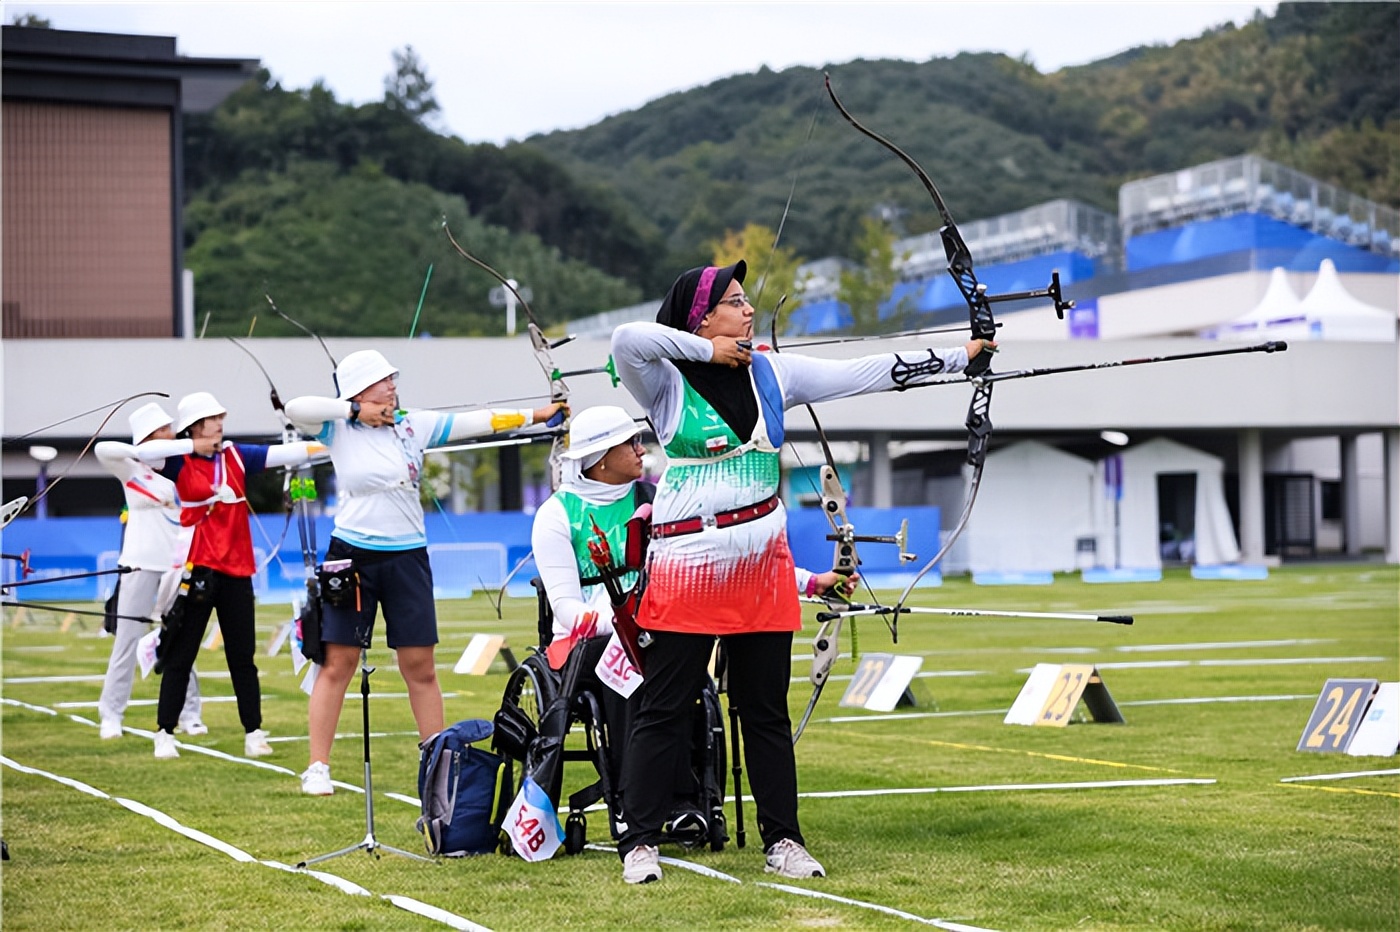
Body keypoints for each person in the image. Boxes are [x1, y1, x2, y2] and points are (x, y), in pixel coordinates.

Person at [610, 260, 993, 884]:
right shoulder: (664, 380)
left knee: (765, 710)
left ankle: (783, 840)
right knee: (665, 706)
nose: (748, 311)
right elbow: (627, 337)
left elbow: (865, 372)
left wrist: (961, 356)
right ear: (701, 318)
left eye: (745, 301)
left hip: (761, 567)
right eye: (734, 302)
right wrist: (708, 351)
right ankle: (640, 842)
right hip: (686, 566)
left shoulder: (772, 371)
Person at [532, 404, 859, 838]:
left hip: (661, 627)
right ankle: (636, 804)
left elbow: (728, 561)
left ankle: (688, 803)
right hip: (589, 644)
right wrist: (632, 620)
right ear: (600, 458)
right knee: (631, 671)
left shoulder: (661, 498)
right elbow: (569, 612)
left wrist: (813, 582)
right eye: (630, 443)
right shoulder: (556, 515)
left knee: (679, 671)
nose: (641, 449)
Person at [284, 349, 567, 796]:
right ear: (361, 389)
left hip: (407, 555)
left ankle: (437, 764)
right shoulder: (336, 427)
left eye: (392, 379)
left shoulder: (414, 424)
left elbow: (480, 420)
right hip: (352, 556)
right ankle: (318, 766)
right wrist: (355, 411)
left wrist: (538, 414)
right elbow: (295, 407)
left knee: (420, 665)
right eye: (383, 380)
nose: (393, 386)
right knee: (338, 663)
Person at [152, 392, 322, 760]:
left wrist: (330, 443)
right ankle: (164, 732)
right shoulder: (178, 460)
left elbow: (288, 454)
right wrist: (191, 445)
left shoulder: (235, 455)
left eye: (219, 417)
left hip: (237, 571)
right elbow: (138, 453)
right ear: (194, 426)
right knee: (182, 653)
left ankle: (254, 732)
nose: (220, 423)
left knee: (242, 657)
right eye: (211, 418)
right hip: (198, 569)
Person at [94, 403, 213, 740]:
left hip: (178, 565)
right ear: (147, 436)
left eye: (170, 429)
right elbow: (103, 449)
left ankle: (189, 713)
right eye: (162, 430)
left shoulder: (181, 466)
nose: (171, 434)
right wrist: (144, 450)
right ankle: (111, 714)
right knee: (126, 640)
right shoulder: (131, 468)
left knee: (181, 641)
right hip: (140, 563)